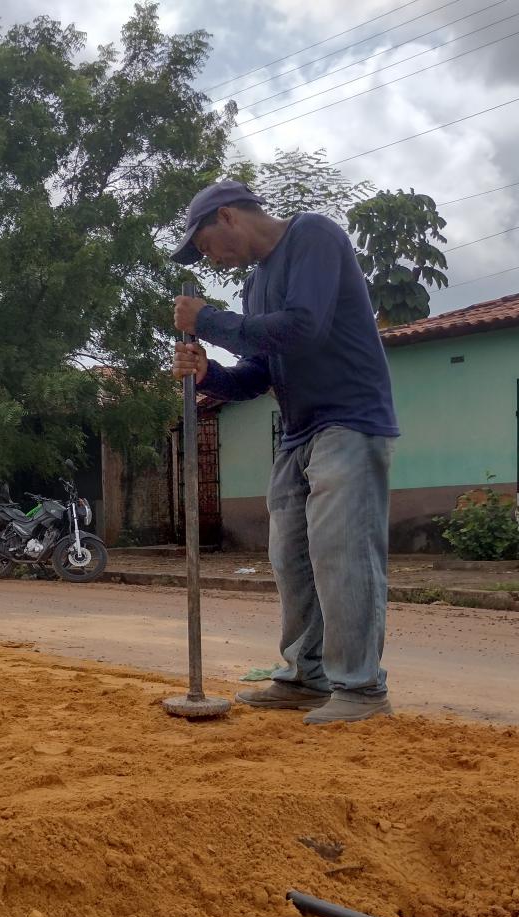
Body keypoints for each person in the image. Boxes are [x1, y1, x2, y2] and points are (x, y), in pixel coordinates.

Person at [170, 180, 400, 725]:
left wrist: (207, 319)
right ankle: (306, 676)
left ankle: (362, 689)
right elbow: (261, 372)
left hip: (350, 419)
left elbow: (303, 329)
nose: (211, 258)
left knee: (342, 553)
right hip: (297, 432)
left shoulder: (313, 236)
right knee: (292, 558)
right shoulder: (254, 288)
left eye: (206, 245)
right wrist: (213, 375)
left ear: (228, 217)